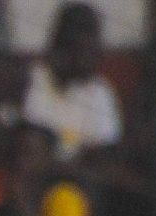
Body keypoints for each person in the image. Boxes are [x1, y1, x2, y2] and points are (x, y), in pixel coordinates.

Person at [23, 3, 122, 166]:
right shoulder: (31, 82)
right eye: (87, 49)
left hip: (81, 181)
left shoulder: (100, 90)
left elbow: (104, 151)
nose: (97, 56)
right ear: (63, 47)